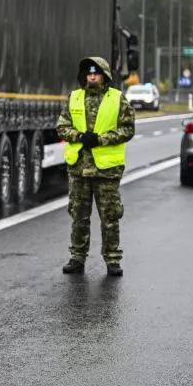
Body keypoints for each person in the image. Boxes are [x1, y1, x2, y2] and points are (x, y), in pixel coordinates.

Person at [55, 56, 135, 276]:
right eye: (89, 73)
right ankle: (77, 257)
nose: (92, 76)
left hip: (106, 170)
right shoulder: (74, 97)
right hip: (79, 168)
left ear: (104, 75)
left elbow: (127, 129)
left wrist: (101, 139)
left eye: (96, 73)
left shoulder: (117, 99)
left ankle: (112, 259)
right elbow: (62, 127)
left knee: (110, 216)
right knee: (78, 215)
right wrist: (79, 136)